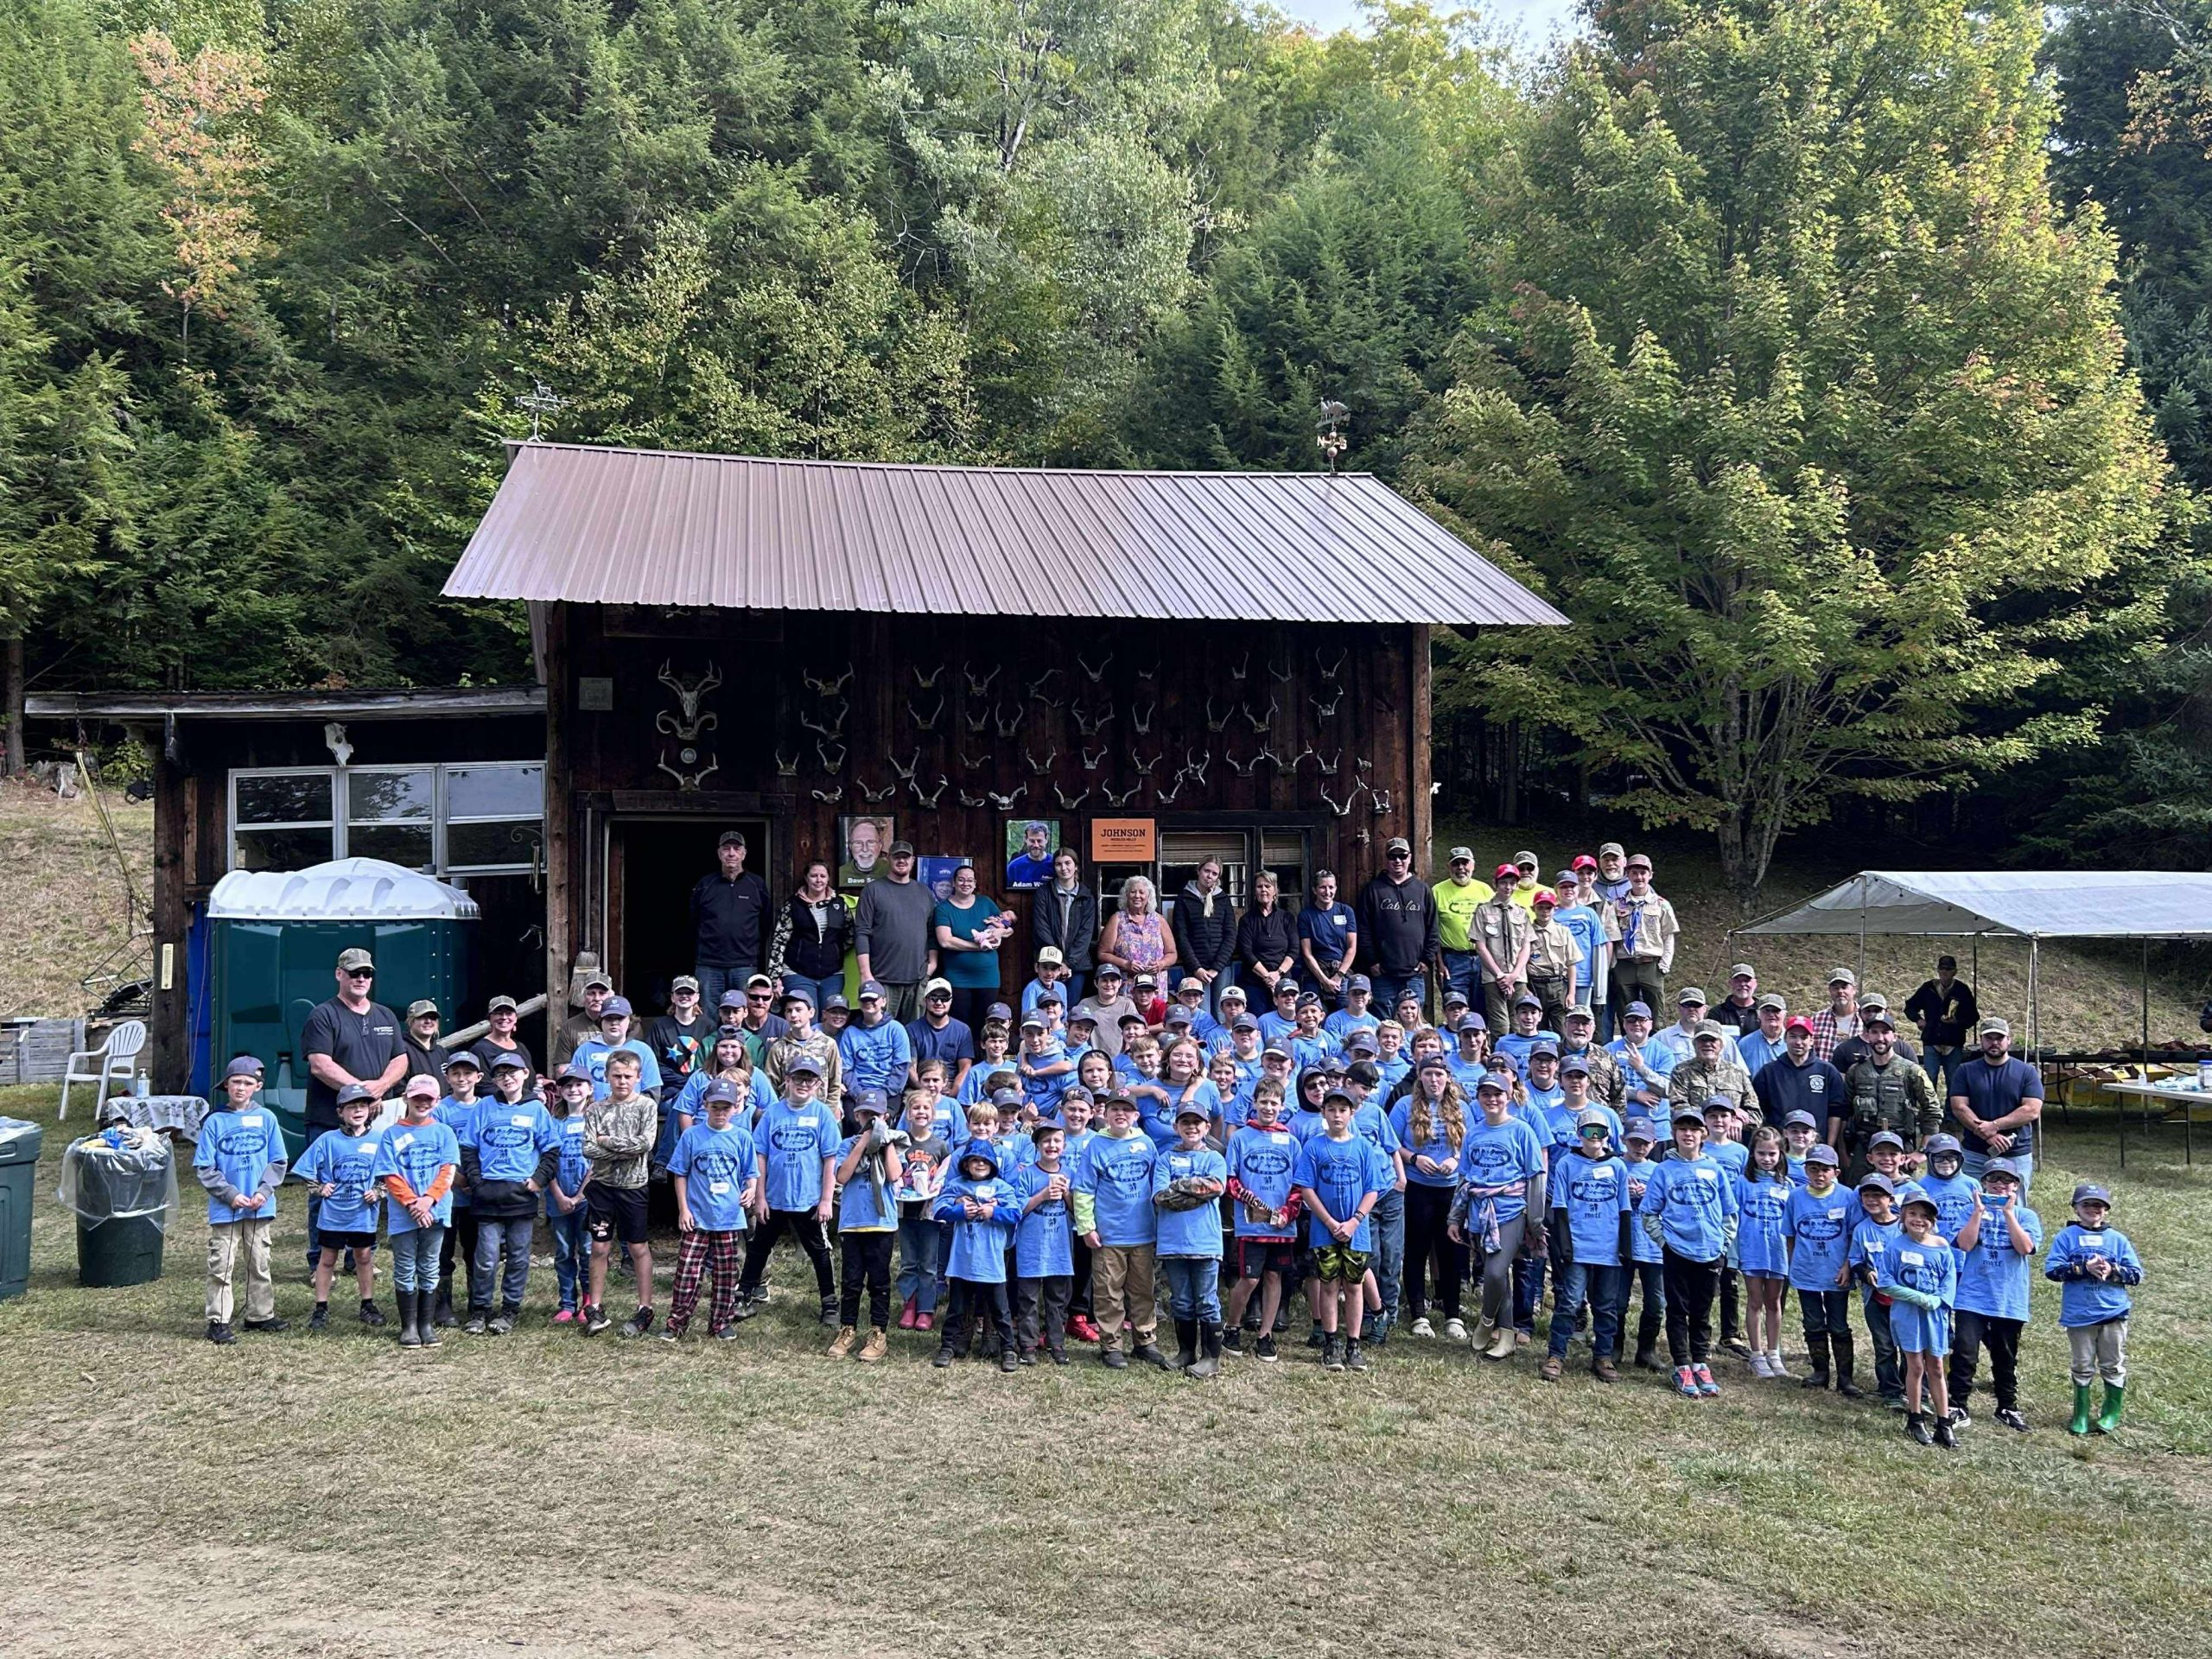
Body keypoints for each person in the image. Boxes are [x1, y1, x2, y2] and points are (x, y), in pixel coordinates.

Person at [300, 946, 408, 1271]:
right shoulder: (323, 1015)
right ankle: (320, 1261)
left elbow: (401, 1059)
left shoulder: (386, 1016)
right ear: (339, 975)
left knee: (368, 1186)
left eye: (367, 973)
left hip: (375, 1119)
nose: (362, 978)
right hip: (328, 1120)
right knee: (327, 1190)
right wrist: (360, 1093)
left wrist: (379, 1088)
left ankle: (360, 1257)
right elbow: (320, 1064)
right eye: (354, 973)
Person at [1638, 1103, 1737, 1400]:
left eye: (1694, 1129)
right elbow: (1648, 1213)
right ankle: (1681, 1365)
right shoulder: (1664, 1170)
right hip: (1677, 1251)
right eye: (1683, 1129)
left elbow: (1729, 1213)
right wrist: (1666, 1243)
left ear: (1703, 1133)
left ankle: (1700, 1362)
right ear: (1674, 1133)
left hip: (1710, 1251)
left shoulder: (1714, 1169)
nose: (1688, 1134)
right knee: (1678, 1310)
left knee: (1702, 1311)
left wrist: (1722, 1243)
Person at [735, 1053, 841, 1325]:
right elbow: (761, 1155)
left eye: (810, 1079)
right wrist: (760, 1197)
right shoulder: (773, 1113)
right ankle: (743, 1294)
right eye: (798, 1078)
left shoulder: (822, 1115)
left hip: (808, 1200)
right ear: (787, 1080)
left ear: (818, 1084)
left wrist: (826, 1200)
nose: (803, 1084)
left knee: (819, 1251)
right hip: (774, 1197)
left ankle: (829, 1302)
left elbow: (830, 1159)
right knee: (759, 1246)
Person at [1449, 1074, 1548, 1361]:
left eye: (1498, 1094)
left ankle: (1486, 1320)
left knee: (1494, 1272)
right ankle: (1507, 1336)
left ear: (1509, 1096)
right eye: (1486, 1094)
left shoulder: (1522, 1131)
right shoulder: (1474, 1133)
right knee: (1498, 1275)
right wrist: (1455, 1218)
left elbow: (1536, 1176)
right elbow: (1465, 1178)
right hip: (1480, 1211)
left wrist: (1536, 1220)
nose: (1492, 1099)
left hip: (1511, 1211)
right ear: (1478, 1098)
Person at [195, 1055, 291, 1344]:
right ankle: (218, 1319)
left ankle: (260, 1314)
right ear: (226, 1085)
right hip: (227, 1209)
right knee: (222, 1263)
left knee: (259, 1260)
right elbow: (205, 1166)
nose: (241, 1088)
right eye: (236, 1082)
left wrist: (263, 1191)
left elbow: (278, 1160)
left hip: (260, 1206)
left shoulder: (267, 1119)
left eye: (248, 1083)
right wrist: (231, 1194)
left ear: (257, 1087)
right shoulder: (215, 1121)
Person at [1295, 1086, 1391, 1374]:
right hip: (1325, 1230)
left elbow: (1372, 1188)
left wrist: (1354, 1221)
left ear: (1352, 1113)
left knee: (1354, 1284)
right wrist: (1329, 1222)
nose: (1337, 1115)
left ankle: (1353, 1342)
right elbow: (1306, 1188)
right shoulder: (1314, 1146)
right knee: (1328, 1285)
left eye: (1343, 1110)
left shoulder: (1361, 1146)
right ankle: (1331, 1341)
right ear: (1323, 1112)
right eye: (1332, 1109)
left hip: (1356, 1231)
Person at [460, 1067, 560, 1335]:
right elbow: (468, 1147)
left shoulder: (536, 1109)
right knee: (487, 1257)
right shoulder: (484, 1107)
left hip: (521, 1195)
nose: (507, 1078)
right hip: (488, 1195)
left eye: (512, 1072)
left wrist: (538, 1180)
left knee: (518, 1257)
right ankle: (480, 1309)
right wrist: (477, 1181)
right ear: (494, 1080)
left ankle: (510, 1309)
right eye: (500, 1074)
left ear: (526, 1073)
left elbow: (551, 1150)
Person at [1072, 1093, 1169, 1370]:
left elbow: (1158, 1186)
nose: (1120, 1115)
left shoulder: (1146, 1144)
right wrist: (1087, 1227)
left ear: (1136, 1116)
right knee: (1108, 1292)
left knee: (1143, 1291)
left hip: (1143, 1233)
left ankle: (1145, 1341)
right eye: (1115, 1109)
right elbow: (1083, 1189)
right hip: (1109, 1235)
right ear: (1105, 1113)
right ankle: (1111, 1345)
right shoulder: (1096, 1145)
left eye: (1127, 1110)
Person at [660, 1079, 760, 1344]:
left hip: (728, 1217)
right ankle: (677, 1323)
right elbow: (679, 1173)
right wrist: (683, 1208)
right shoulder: (692, 1135)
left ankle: (721, 1323)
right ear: (705, 1106)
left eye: (726, 1108)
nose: (720, 1112)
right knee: (687, 1272)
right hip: (697, 1216)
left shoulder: (742, 1137)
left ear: (736, 1108)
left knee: (727, 1273)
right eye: (715, 1107)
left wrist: (751, 1189)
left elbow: (751, 1172)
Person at [1947, 1156, 2040, 1433]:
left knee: (2005, 1355)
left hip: (2009, 1298)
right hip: (1972, 1296)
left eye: (2006, 1180)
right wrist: (1978, 1212)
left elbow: (2025, 1248)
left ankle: (2007, 1406)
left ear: (2015, 1185)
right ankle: (1958, 1405)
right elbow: (1964, 1244)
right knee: (1964, 1351)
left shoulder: (2027, 1216)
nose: (2000, 1185)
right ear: (1983, 1183)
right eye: (1993, 1179)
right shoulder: (1969, 1210)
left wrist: (2009, 1214)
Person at [2044, 1182, 2143, 1435]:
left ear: (2106, 1209)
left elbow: (2136, 1275)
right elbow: (2053, 1270)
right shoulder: (2066, 1237)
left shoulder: (2117, 1240)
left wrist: (2112, 1270)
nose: (2092, 1209)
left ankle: (2110, 1413)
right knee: (2082, 1364)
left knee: (2112, 1363)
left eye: (2098, 1205)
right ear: (2076, 1208)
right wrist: (2082, 1269)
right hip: (2079, 1315)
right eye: (2086, 1204)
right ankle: (2081, 1414)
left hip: (2113, 1313)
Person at [373, 1075, 461, 1350]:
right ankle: (408, 1326)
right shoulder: (391, 1134)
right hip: (404, 1213)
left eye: (428, 1098)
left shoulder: (444, 1133)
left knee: (430, 1265)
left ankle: (426, 1324)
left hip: (436, 1210)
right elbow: (390, 1173)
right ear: (406, 1100)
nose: (422, 1103)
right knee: (404, 1266)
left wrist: (429, 1201)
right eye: (417, 1098)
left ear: (436, 1101)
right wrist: (414, 1203)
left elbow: (448, 1170)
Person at [1545, 1109, 1631, 1383]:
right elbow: (1559, 1206)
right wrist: (1563, 1245)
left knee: (1606, 1305)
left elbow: (1625, 1208)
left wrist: (1625, 1246)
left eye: (1600, 1132)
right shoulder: (1567, 1164)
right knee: (1569, 1303)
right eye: (1588, 1132)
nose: (1594, 1138)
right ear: (1579, 1134)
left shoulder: (1618, 1166)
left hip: (1608, 1248)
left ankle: (1603, 1356)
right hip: (1578, 1246)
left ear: (1608, 1136)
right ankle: (1556, 1355)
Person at [579, 1050, 660, 1339]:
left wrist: (608, 1142)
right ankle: (594, 1306)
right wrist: (619, 1146)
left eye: (628, 1076)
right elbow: (588, 1148)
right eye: (616, 1076)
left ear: (638, 1077)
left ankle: (645, 1307)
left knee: (638, 1248)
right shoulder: (596, 1110)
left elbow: (645, 1144)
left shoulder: (646, 1106)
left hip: (634, 1187)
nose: (622, 1081)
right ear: (606, 1077)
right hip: (602, 1187)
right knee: (599, 1247)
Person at [296, 1082, 387, 1332]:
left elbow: (390, 1174)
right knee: (327, 1259)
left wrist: (379, 1192)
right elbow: (305, 1169)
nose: (357, 1111)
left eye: (362, 1106)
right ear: (340, 1112)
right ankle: (321, 1307)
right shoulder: (328, 1140)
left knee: (364, 1257)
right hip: (334, 1214)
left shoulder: (380, 1140)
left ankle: (367, 1304)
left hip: (363, 1214)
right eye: (351, 1107)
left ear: (370, 1110)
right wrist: (319, 1188)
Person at [931, 1140, 1024, 1371]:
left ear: (993, 1164)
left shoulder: (1002, 1187)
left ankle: (1008, 1349)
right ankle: (948, 1347)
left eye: (985, 1160)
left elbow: (1015, 1213)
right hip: (962, 1261)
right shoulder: (956, 1186)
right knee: (956, 1309)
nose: (980, 1164)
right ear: (966, 1164)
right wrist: (959, 1209)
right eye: (975, 1160)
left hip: (992, 1263)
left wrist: (994, 1212)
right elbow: (938, 1210)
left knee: (1001, 1311)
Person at [1391, 1062, 1468, 1344]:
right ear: (1420, 1078)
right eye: (1428, 1074)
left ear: (1448, 1078)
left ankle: (1452, 1315)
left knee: (1450, 1251)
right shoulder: (1404, 1105)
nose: (1434, 1080)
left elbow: (1470, 1142)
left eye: (1439, 1074)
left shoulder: (1462, 1107)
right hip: (1417, 1188)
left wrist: (1456, 1159)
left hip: (1450, 1190)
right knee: (1417, 1250)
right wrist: (1414, 1158)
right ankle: (1418, 1313)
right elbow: (1392, 1142)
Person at [828, 1090, 906, 1362]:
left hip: (881, 1224)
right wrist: (861, 1143)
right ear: (856, 1115)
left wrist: (884, 1144)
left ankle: (878, 1332)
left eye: (875, 1116)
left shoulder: (892, 1143)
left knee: (879, 1281)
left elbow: (895, 1175)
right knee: (850, 1281)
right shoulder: (847, 1144)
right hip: (852, 1223)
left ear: (885, 1116)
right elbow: (842, 1175)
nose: (869, 1120)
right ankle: (847, 1328)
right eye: (864, 1115)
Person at [1224, 1082, 1299, 1362]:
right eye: (1263, 1102)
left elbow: (1299, 1185)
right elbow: (1230, 1181)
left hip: (1281, 1225)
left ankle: (1265, 1334)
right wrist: (1253, 1201)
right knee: (1250, 1277)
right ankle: (1232, 1326)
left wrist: (1287, 1212)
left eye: (1274, 1103)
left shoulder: (1290, 1140)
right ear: (1254, 1103)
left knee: (1273, 1276)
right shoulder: (1241, 1138)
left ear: (1282, 1106)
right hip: (1250, 1224)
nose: (1269, 1108)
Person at [1878, 1192, 1960, 1447]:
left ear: (1933, 1220)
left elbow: (1950, 1278)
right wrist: (1915, 1297)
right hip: (1908, 1315)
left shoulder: (1942, 1246)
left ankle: (1944, 1422)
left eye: (1925, 1216)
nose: (1918, 1220)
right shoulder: (1895, 1247)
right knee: (1915, 1366)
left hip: (1935, 1316)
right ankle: (1915, 1418)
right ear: (1903, 1216)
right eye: (1912, 1214)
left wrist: (1940, 1300)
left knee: (1936, 1366)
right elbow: (1886, 1282)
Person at [1153, 1104, 1230, 1376]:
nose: (1191, 1127)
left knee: (1207, 1300)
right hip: (1172, 1242)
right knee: (1181, 1300)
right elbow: (1160, 1197)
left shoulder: (1215, 1159)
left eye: (1197, 1122)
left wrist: (1179, 1186)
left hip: (1205, 1242)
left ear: (1207, 1127)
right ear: (1176, 1127)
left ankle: (1211, 1358)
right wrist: (1196, 1189)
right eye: (1185, 1122)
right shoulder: (1165, 1159)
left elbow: (1216, 1187)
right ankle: (1186, 1352)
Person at [1783, 1144, 1859, 1395]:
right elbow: (1790, 1235)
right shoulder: (1795, 1197)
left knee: (1838, 1324)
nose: (1819, 1175)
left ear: (1835, 1172)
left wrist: (1848, 1265)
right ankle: (1820, 1371)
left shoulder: (1847, 1197)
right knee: (1813, 1322)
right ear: (1806, 1170)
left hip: (1837, 1271)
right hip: (1807, 1271)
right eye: (1813, 1169)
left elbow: (1852, 1236)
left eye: (1825, 1170)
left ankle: (1845, 1377)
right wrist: (1794, 1263)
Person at [1840, 1009, 1939, 1180]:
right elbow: (1844, 1113)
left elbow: (1933, 1110)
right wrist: (1843, 1152)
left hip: (1900, 1151)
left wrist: (1922, 1151)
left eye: (1885, 1032)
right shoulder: (1855, 1072)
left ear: (1894, 1036)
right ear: (1867, 1035)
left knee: (1904, 1201)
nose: (1880, 1038)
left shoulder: (1912, 1071)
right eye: (1874, 1032)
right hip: (1865, 1150)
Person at [1948, 1017, 2045, 1187]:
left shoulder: (2027, 1072)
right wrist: (1989, 1134)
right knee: (1972, 1205)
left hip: (2016, 1154)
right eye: (1989, 1038)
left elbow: (2032, 1110)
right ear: (1981, 1041)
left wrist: (1995, 1125)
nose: (1994, 1043)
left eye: (1999, 1038)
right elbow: (1959, 1107)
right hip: (1975, 1153)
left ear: (2009, 1040)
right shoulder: (1965, 1071)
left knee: (2014, 1207)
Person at [1013, 1120, 1077, 1365]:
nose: (1052, 1145)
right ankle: (1028, 1344)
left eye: (1057, 1141)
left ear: (1064, 1145)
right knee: (1028, 1298)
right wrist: (1042, 1196)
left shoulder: (1070, 1173)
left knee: (1057, 1298)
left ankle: (1056, 1342)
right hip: (1031, 1246)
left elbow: (1076, 1210)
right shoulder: (1028, 1174)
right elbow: (1019, 1209)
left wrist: (1067, 1194)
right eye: (1046, 1141)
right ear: (1038, 1145)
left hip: (1059, 1247)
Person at [855, 842, 938, 1022]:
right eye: (897, 857)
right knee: (880, 1031)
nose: (902, 860)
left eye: (906, 857)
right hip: (882, 979)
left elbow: (932, 933)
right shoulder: (873, 890)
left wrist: (932, 965)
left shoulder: (925, 893)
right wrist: (865, 974)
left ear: (913, 860)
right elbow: (861, 932)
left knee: (911, 1037)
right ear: (888, 859)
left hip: (917, 980)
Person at [1735, 1127, 1794, 1377]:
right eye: (1762, 1153)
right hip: (1752, 1249)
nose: (1767, 1159)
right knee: (1755, 1300)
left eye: (1772, 1154)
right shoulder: (1743, 1182)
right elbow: (1734, 1217)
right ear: (1753, 1154)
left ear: (1781, 1154)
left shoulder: (1788, 1185)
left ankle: (1774, 1352)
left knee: (1774, 1302)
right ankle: (1756, 1354)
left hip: (1778, 1252)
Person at [1357, 836, 1438, 1015]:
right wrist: (1372, 961)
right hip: (1383, 973)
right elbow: (1363, 929)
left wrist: (1427, 959)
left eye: (1402, 856)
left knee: (1413, 1021)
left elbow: (1433, 926)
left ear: (1409, 858)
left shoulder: (1422, 890)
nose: (1398, 861)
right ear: (1386, 859)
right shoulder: (1373, 890)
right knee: (1384, 1024)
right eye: (1393, 856)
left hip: (1414, 973)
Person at [893, 1084, 951, 1332]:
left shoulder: (940, 1146)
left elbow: (944, 1177)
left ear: (933, 1113)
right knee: (908, 1261)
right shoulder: (900, 1142)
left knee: (929, 1263)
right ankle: (910, 1303)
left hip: (930, 1213)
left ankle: (927, 1309)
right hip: (906, 1211)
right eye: (915, 1107)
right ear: (908, 1113)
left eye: (926, 1107)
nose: (921, 1112)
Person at [692, 831, 772, 1011]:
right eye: (726, 848)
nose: (731, 853)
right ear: (719, 853)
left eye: (736, 849)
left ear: (744, 854)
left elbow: (766, 922)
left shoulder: (756, 885)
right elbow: (693, 920)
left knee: (743, 1012)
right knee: (709, 1014)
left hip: (745, 964)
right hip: (709, 964)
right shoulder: (705, 884)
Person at [1847, 1171, 1907, 1410]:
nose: (1872, 1201)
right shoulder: (1862, 1229)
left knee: (1907, 1345)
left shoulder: (1903, 1227)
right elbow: (1854, 1258)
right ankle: (1890, 1390)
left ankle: (1911, 1388)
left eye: (1878, 1196)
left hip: (1903, 1298)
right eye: (1867, 1196)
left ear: (1891, 1200)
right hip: (1875, 1297)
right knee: (1884, 1345)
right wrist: (1864, 1272)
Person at [932, 862, 1014, 1032]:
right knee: (959, 1025)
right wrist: (978, 947)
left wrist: (1000, 933)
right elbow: (945, 941)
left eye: (970, 880)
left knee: (985, 1026)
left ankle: (982, 1058)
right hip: (958, 979)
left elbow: (1008, 926)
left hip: (988, 978)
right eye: (961, 880)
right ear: (954, 883)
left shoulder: (985, 903)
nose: (965, 883)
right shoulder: (943, 909)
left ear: (975, 884)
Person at [768, 861, 854, 1015]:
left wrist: (834, 951)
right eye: (814, 876)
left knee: (829, 1020)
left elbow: (850, 935)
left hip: (832, 974)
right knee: (805, 1020)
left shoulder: (839, 905)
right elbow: (779, 941)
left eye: (823, 876)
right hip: (798, 972)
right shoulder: (793, 905)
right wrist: (774, 977)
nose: (818, 880)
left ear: (828, 879)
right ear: (806, 878)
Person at [545, 1065, 595, 1324]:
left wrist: (578, 1196)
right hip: (558, 1198)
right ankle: (567, 1302)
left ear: (590, 1089)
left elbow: (598, 1164)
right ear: (560, 1090)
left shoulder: (595, 1120)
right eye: (567, 1085)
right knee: (564, 1251)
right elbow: (547, 1161)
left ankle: (588, 1301)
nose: (573, 1090)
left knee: (587, 1250)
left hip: (588, 1200)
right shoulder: (553, 1122)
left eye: (579, 1084)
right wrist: (559, 1195)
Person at [1619, 1117, 1667, 1370]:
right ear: (1624, 1141)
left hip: (1653, 1246)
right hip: (1622, 1244)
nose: (1639, 1147)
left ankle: (1646, 1350)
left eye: (1645, 1143)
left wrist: (1649, 1196)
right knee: (1617, 1300)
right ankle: (1614, 1346)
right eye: (1634, 1142)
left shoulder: (1660, 1171)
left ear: (1654, 1144)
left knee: (1656, 1302)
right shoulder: (1616, 1166)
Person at [1751, 1015, 1846, 1135]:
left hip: (1816, 1147)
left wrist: (1829, 1146)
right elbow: (1758, 1111)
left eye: (1804, 1037)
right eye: (1793, 1036)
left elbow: (1836, 1112)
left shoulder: (1828, 1071)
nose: (1798, 1042)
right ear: (1785, 1038)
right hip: (1779, 1147)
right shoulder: (1768, 1072)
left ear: (1812, 1040)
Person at [1610, 855, 1677, 1013]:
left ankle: (1654, 1038)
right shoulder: (1617, 904)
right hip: (1624, 964)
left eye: (1643, 873)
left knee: (1655, 1013)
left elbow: (1668, 936)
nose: (1639, 877)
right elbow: (1612, 937)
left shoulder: (1661, 904)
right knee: (1626, 1013)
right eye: (1634, 873)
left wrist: (1664, 965)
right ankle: (1628, 1038)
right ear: (1628, 876)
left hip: (1651, 964)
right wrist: (1613, 964)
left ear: (1650, 875)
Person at [1904, 955, 1980, 1093]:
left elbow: (1973, 1016)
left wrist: (1957, 1022)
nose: (1945, 972)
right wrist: (1918, 1020)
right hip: (1932, 1040)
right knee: (1928, 1080)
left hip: (1953, 1042)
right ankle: (1930, 1112)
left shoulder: (1962, 990)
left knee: (1954, 1081)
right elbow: (1909, 1006)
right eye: (1942, 969)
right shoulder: (1928, 988)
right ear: (1938, 971)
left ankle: (1952, 1113)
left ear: (1954, 972)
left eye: (1948, 969)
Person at [1430, 846, 1492, 1012]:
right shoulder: (1437, 891)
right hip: (1453, 960)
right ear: (1449, 867)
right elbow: (1432, 931)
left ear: (1473, 865)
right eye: (1456, 864)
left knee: (1483, 1007)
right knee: (1456, 1008)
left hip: (1483, 958)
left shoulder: (1485, 890)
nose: (1461, 868)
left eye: (1464, 863)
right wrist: (1440, 964)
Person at [1032, 849, 1098, 1003]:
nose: (1063, 868)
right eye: (1058, 864)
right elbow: (1041, 928)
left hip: (1077, 965)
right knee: (1047, 1006)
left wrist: (1068, 963)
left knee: (1072, 1009)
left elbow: (1086, 934)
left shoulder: (1087, 896)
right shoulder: (1044, 893)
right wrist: (1058, 962)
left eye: (1068, 863)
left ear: (1076, 866)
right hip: (1048, 963)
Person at [1472, 864, 1533, 1032]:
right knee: (1500, 1025)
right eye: (1504, 883)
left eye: (1512, 883)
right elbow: (1480, 945)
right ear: (1495, 884)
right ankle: (1500, 1057)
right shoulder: (1483, 910)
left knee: (1518, 1023)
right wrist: (1500, 975)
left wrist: (1513, 975)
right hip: (1493, 977)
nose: (1508, 887)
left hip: (1518, 976)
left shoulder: (1522, 912)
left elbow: (1526, 945)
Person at [839, 979, 915, 1106]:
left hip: (889, 1092)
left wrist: (884, 1093)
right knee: (853, 1122)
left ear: (884, 1001)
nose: (869, 1003)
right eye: (864, 1000)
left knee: (885, 1120)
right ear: (859, 1003)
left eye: (873, 999)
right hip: (858, 1092)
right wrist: (859, 1094)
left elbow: (901, 1067)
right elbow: (846, 1069)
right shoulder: (850, 1032)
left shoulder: (896, 1029)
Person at [765, 985, 842, 1100]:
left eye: (798, 1010)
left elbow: (835, 1084)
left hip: (819, 1111)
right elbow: (771, 1085)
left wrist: (829, 1112)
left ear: (811, 1012)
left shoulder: (828, 1044)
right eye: (789, 1011)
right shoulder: (779, 1048)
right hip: (787, 1111)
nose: (793, 1015)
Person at [1098, 874, 1176, 988]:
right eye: (1133, 892)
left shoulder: (1159, 920)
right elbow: (1103, 954)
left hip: (1155, 986)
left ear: (1148, 896)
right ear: (1126, 895)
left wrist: (1161, 964)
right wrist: (1126, 964)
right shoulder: (1117, 919)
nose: (1137, 896)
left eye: (1141, 892)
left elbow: (1172, 954)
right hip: (1126, 985)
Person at [1523, 889, 1583, 1035]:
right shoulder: (1526, 932)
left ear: (1555, 908)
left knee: (1563, 1029)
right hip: (1535, 985)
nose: (1545, 911)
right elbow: (1521, 964)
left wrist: (1571, 993)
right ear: (1533, 909)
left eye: (1548, 907)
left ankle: (1562, 1057)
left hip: (1558, 985)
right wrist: (1525, 989)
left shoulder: (1563, 932)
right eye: (1540, 907)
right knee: (1538, 1029)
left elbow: (1571, 963)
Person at [645, 976, 713, 1099]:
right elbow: (653, 1063)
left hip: (701, 1090)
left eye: (689, 992)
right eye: (679, 992)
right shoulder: (659, 1025)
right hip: (669, 1091)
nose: (684, 996)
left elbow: (712, 1063)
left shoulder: (709, 1026)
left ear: (697, 997)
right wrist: (684, 1083)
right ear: (672, 997)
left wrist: (694, 1083)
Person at [906, 979, 975, 1092]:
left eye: (944, 999)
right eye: (933, 998)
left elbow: (965, 1068)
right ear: (925, 1001)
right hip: (921, 1085)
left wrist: (955, 1090)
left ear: (951, 1001)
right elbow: (910, 1068)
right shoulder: (911, 1030)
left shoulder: (963, 1030)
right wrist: (925, 1090)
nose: (939, 1003)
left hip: (951, 1085)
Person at [1071, 964, 1137, 1058]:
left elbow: (1133, 1036)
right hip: (1092, 1059)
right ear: (1096, 983)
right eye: (1104, 980)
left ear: (1120, 983)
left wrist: (1126, 1058)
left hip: (1121, 1060)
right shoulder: (1085, 1004)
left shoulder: (1127, 1004)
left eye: (1113, 980)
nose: (1109, 984)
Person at [552, 970, 613, 1070]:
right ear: (583, 996)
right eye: (591, 993)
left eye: (602, 993)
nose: (597, 998)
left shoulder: (622, 1024)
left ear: (611, 996)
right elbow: (561, 1068)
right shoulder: (569, 1027)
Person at [470, 994, 535, 1079]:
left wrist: (540, 1082)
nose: (504, 1017)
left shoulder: (522, 1047)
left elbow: (530, 1079)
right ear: (489, 1019)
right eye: (498, 1013)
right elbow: (484, 1087)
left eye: (509, 1013)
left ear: (515, 1018)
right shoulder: (480, 1050)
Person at [1806, 969, 1860, 1064]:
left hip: (1855, 1077)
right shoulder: (1816, 1020)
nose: (1840, 991)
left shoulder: (1865, 1019)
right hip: (1824, 1076)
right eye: (1835, 988)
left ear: (1854, 990)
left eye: (1844, 987)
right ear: (1830, 991)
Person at [401, 999, 449, 1082]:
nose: (428, 1021)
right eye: (422, 1017)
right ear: (411, 1021)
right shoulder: (401, 1050)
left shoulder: (442, 1052)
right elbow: (399, 1088)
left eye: (433, 1018)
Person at [1714, 964, 1764, 1036]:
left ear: (1755, 983)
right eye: (1738, 981)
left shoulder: (1764, 1011)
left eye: (1747, 980)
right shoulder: (1717, 1013)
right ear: (1730, 983)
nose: (1742, 984)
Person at [1006, 820, 1057, 887]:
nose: (1036, 845)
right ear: (1025, 839)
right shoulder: (1014, 867)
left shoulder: (1056, 864)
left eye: (1039, 841)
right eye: (1032, 841)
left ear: (1046, 839)